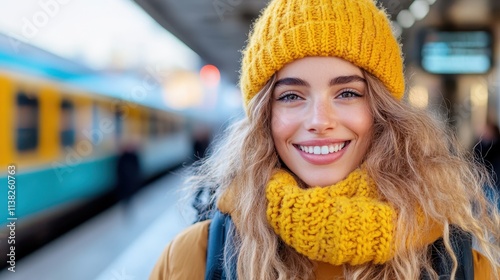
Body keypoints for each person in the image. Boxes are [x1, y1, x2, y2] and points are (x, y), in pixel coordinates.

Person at [150, 0, 500, 279]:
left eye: (347, 93)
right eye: (290, 96)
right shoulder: (193, 259)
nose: (320, 121)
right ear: (263, 118)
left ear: (383, 112)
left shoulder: (457, 265)